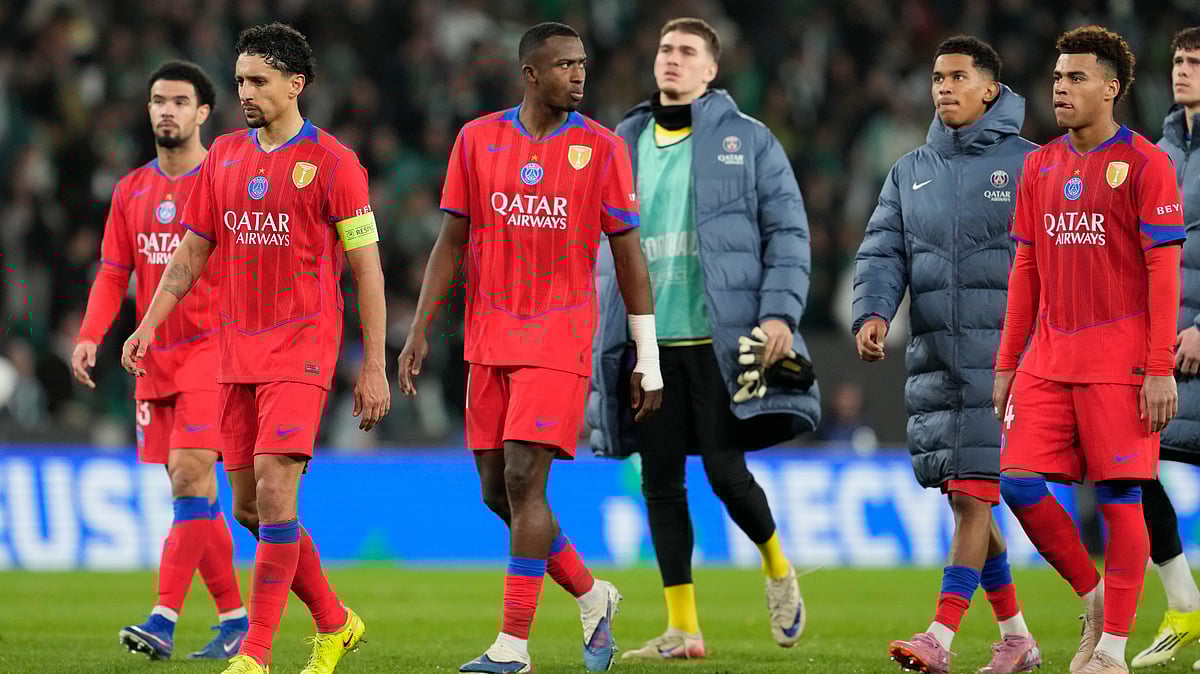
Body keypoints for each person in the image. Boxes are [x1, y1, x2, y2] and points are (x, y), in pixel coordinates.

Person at [120, 22, 390, 674]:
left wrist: (374, 363)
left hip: (302, 348)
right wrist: (149, 322)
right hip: (234, 350)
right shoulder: (227, 157)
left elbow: (368, 270)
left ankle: (257, 654)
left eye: (259, 81)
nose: (245, 91)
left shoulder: (334, 164)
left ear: (295, 85)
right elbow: (190, 253)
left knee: (274, 494)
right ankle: (334, 622)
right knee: (246, 507)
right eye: (240, 79)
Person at [398, 21, 663, 674]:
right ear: (530, 73)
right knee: (498, 493)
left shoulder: (601, 149)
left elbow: (630, 258)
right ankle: (591, 594)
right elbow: (449, 244)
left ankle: (513, 648)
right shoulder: (477, 141)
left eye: (583, 64)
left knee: (524, 479)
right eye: (565, 64)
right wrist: (420, 328)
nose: (578, 74)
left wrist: (646, 356)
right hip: (488, 341)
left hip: (559, 337)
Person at [587, 17, 817, 660]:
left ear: (712, 70)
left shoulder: (750, 140)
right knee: (659, 479)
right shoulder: (621, 141)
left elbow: (790, 233)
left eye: (688, 52)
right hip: (648, 341)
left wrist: (779, 315)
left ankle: (777, 569)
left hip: (720, 338)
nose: (673, 60)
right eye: (665, 49)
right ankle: (683, 629)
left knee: (723, 470)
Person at [995, 25, 1184, 674]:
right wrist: (1006, 362)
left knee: (1121, 498)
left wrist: (1158, 369)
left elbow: (1165, 275)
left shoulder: (1146, 164)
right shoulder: (1039, 163)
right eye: (1057, 78)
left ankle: (1109, 651)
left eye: (1076, 78)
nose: (1061, 88)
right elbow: (1025, 269)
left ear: (1111, 88)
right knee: (1017, 482)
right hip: (1046, 361)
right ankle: (1094, 593)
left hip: (1120, 362)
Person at [852, 36, 1040, 674]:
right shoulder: (911, 170)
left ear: (990, 88)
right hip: (936, 359)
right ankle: (1016, 636)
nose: (943, 87)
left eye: (958, 76)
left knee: (971, 494)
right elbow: (882, 252)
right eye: (937, 77)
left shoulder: (1032, 165)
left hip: (1005, 364)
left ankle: (940, 635)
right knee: (970, 497)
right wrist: (874, 312)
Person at [72, 60, 248, 661]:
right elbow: (113, 272)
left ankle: (162, 617)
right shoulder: (131, 191)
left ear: (203, 113)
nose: (165, 110)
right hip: (152, 358)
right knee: (196, 496)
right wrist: (91, 333)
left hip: (213, 352)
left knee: (188, 474)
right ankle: (235, 619)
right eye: (156, 100)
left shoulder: (223, 180)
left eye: (179, 101)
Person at [1133, 25, 1200, 670]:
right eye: (1178, 59)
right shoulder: (1158, 152)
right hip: (1163, 348)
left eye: (1196, 62)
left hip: (1198, 338)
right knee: (1133, 469)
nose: (1183, 70)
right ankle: (1183, 605)